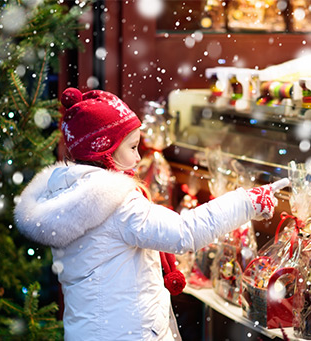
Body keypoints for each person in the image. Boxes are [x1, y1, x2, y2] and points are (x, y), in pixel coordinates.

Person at [14, 87, 283, 341]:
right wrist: (247, 201)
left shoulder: (66, 192)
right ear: (103, 149)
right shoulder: (116, 203)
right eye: (132, 147)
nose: (138, 158)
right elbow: (183, 233)